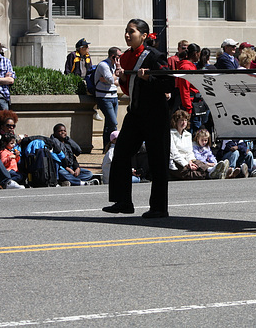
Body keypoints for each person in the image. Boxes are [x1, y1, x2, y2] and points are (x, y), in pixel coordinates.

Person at [102, 19, 175, 217]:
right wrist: (124, 79)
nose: (127, 35)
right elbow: (128, 89)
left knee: (158, 160)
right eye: (126, 31)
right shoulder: (125, 57)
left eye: (131, 32)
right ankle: (123, 201)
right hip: (135, 114)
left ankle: (159, 208)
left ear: (143, 35)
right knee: (121, 154)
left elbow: (169, 85)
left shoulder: (155, 56)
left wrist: (149, 78)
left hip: (155, 115)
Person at [169, 110, 228, 180]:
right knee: (188, 172)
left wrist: (190, 161)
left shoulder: (188, 135)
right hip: (176, 162)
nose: (184, 123)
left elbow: (189, 152)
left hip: (187, 160)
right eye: (181, 120)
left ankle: (212, 171)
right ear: (176, 121)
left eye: (185, 120)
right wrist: (187, 164)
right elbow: (174, 153)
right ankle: (211, 173)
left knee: (198, 163)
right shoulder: (171, 134)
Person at [94, 47, 122, 149]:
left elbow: (119, 81)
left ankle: (106, 146)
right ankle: (114, 144)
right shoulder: (103, 65)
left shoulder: (115, 66)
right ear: (112, 56)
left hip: (114, 96)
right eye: (118, 56)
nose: (120, 58)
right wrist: (112, 77)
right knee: (113, 123)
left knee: (109, 124)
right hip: (104, 97)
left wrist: (108, 78)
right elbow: (111, 79)